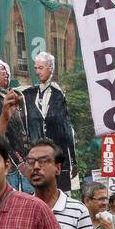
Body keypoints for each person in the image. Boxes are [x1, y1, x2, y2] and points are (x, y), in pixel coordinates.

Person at [24, 138, 94, 229]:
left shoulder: (78, 211)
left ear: (58, 168)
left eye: (44, 161)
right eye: (31, 162)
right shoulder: (20, 210)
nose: (36, 166)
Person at [20, 52, 78, 191]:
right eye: (36, 68)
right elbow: (26, 128)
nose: (37, 72)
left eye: (41, 68)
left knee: (62, 192)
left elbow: (67, 128)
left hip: (59, 153)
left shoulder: (59, 94)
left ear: (50, 68)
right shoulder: (28, 95)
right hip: (38, 156)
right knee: (40, 192)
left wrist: (73, 160)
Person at [0, 58, 31, 190]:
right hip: (9, 158)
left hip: (26, 155)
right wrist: (13, 158)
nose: (6, 73)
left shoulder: (18, 95)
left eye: (6, 70)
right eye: (1, 71)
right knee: (11, 193)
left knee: (31, 194)